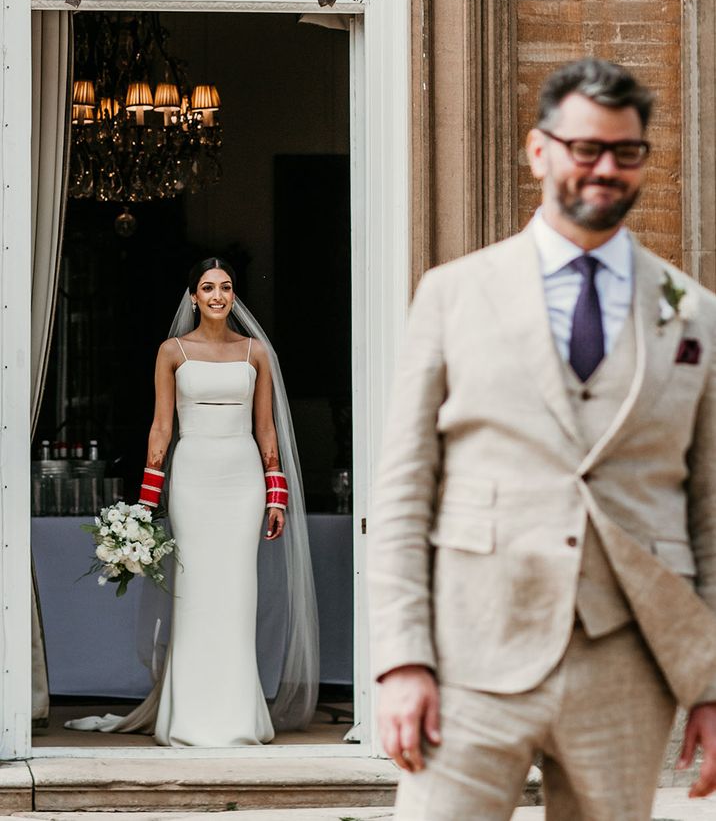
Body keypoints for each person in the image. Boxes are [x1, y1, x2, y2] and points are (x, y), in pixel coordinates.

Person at [369, 58, 716, 820]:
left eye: (626, 153)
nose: (605, 169)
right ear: (539, 150)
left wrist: (710, 683)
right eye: (585, 149)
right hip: (469, 657)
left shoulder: (693, 314)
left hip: (629, 661)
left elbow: (709, 516)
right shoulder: (454, 293)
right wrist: (401, 659)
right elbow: (401, 493)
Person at [68, 256, 319, 745]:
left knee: (237, 594)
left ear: (234, 295)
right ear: (193, 297)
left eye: (226, 287)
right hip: (193, 478)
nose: (218, 295)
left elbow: (266, 429)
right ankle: (188, 719)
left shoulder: (255, 353)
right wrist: (144, 505)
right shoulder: (172, 352)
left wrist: (276, 495)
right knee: (195, 594)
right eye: (208, 287)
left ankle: (238, 718)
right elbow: (161, 428)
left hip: (242, 478)